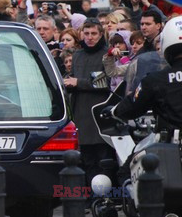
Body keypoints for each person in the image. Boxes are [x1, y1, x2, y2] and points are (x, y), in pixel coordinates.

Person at [106, 16, 182, 140]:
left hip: (171, 144)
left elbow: (132, 107)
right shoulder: (153, 78)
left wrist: (114, 111)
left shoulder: (154, 80)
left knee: (135, 158)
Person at [64, 18, 114, 184]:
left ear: (101, 34)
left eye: (94, 33)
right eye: (86, 33)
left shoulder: (107, 54)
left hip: (99, 114)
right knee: (85, 160)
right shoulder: (77, 55)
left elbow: (107, 82)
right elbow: (78, 80)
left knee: (102, 160)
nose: (90, 37)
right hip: (80, 113)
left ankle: (104, 198)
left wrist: (78, 82)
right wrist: (69, 84)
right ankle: (87, 197)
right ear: (81, 34)